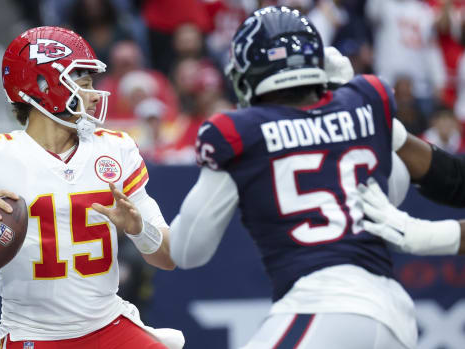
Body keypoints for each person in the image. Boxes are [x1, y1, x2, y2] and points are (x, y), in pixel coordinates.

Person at [0, 26, 184, 349]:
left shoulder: (115, 148)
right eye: (82, 83)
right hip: (36, 335)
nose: (93, 94)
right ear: (43, 86)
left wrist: (140, 230)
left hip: (110, 325)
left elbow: (167, 257)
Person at [168, 6, 422, 349]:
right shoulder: (361, 103)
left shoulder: (240, 134)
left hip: (325, 306)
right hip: (395, 312)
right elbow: (396, 190)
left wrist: (143, 226)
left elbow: (187, 251)